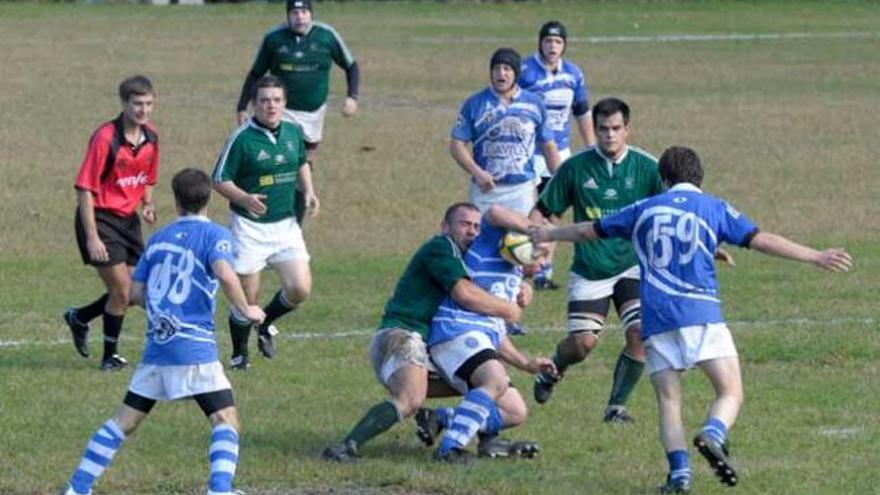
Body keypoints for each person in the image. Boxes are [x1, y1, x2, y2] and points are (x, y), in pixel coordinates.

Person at [530, 145, 852, 493]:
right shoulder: (713, 207)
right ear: (699, 176)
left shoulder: (642, 209)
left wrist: (546, 234)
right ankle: (713, 433)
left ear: (664, 179)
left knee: (670, 401)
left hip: (655, 319)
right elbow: (762, 240)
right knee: (730, 391)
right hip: (700, 314)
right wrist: (815, 255)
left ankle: (679, 476)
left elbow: (587, 231)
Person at [59, 168, 266, 495]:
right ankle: (220, 490)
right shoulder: (216, 236)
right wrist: (247, 309)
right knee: (225, 419)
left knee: (123, 422)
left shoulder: (157, 240)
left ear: (176, 199)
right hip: (193, 348)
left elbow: (135, 294)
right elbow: (226, 275)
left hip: (158, 348)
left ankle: (76, 489)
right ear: (209, 197)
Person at [321, 203, 523, 462]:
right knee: (410, 400)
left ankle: (480, 438)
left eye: (476, 226)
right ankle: (346, 446)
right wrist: (510, 309)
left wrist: (520, 289)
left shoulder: (464, 261)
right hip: (401, 335)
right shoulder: (442, 247)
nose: (472, 231)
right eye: (464, 224)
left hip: (424, 343)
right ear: (444, 227)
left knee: (489, 386)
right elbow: (465, 295)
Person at [529, 97, 664, 423]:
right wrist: (533, 242)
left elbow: (673, 210)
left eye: (616, 128)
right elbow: (543, 212)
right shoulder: (575, 167)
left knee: (641, 333)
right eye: (602, 129)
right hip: (591, 268)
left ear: (627, 130)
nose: (609, 136)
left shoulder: (648, 167)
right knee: (582, 344)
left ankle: (615, 407)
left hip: (632, 263)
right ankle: (554, 368)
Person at [419, 205, 556, 463]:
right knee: (494, 379)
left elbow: (493, 334)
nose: (544, 262)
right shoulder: (487, 248)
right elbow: (493, 212)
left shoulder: (513, 275)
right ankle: (450, 448)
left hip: (475, 339)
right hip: (454, 330)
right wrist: (535, 230)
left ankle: (440, 418)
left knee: (515, 411)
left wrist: (526, 363)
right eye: (541, 254)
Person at [213, 75, 318, 369]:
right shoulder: (241, 138)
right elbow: (219, 179)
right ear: (254, 104)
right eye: (264, 100)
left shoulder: (293, 132)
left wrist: (309, 191)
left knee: (300, 288)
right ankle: (239, 355)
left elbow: (300, 162)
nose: (271, 105)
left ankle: (266, 323)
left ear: (284, 103)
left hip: (285, 226)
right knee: (248, 298)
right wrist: (244, 198)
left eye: (276, 100)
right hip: (249, 227)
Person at [63, 75, 160, 371]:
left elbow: (148, 176)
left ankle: (79, 317)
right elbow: (85, 189)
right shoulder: (106, 137)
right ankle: (110, 357)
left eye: (148, 104)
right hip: (100, 220)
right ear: (124, 103)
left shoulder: (151, 137)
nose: (143, 110)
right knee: (121, 291)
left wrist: (146, 203)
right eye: (137, 104)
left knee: (135, 292)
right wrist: (92, 237)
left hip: (128, 222)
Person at [235, 0, 358, 223]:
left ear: (311, 14)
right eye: (294, 12)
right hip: (281, 111)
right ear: (287, 15)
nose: (299, 17)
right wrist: (242, 106)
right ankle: (267, 212)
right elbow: (255, 74)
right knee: (284, 162)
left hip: (314, 113)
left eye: (304, 12)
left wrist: (352, 97)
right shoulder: (274, 39)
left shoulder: (327, 36)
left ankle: (294, 221)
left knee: (303, 164)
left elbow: (352, 66)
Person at [519, 20, 595, 291]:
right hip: (530, 154)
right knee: (531, 213)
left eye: (558, 42)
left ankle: (543, 270)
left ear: (564, 45)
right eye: (548, 41)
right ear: (540, 42)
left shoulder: (573, 74)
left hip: (560, 153)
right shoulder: (526, 72)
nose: (552, 47)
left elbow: (582, 112)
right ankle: (525, 264)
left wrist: (590, 146)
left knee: (553, 214)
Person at [450, 47, 560, 216]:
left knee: (521, 241)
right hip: (485, 191)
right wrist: (478, 173)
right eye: (496, 68)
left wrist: (561, 183)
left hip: (522, 191)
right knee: (480, 241)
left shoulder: (535, 104)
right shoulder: (475, 103)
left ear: (516, 73)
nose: (501, 73)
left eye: (507, 69)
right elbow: (457, 145)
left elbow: (549, 146)